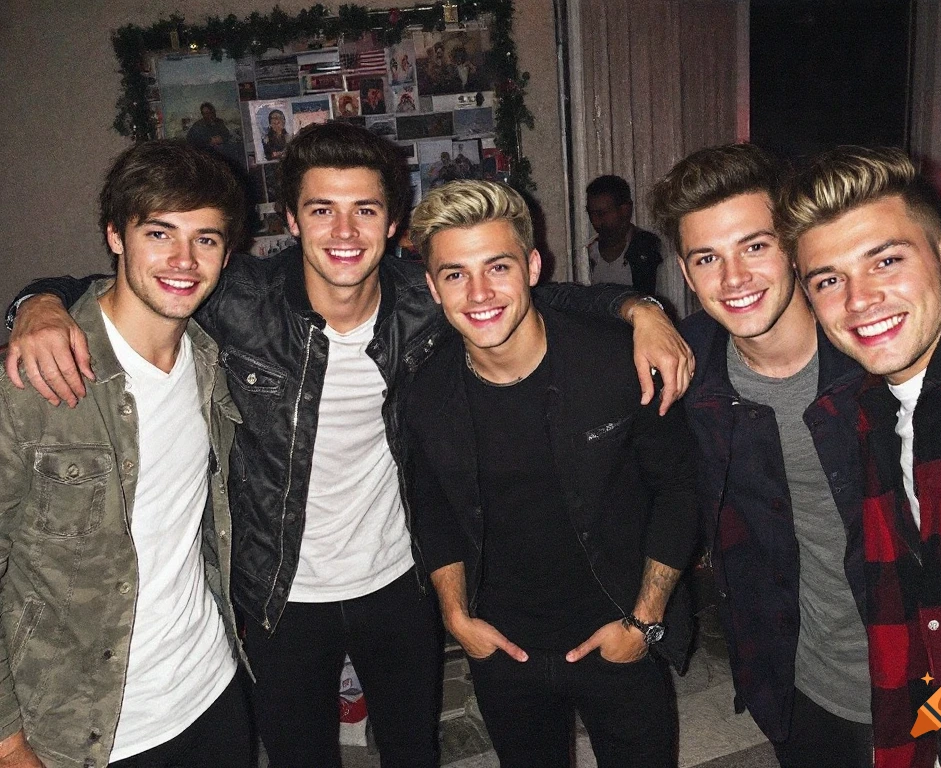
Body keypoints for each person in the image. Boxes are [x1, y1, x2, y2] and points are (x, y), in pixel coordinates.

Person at [4, 123, 693, 767]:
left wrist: (642, 309)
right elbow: (131, 281)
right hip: (278, 592)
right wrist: (37, 303)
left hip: (395, 581)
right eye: (322, 209)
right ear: (291, 220)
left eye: (364, 210)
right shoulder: (233, 298)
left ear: (393, 226)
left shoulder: (425, 299)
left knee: (411, 752)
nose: (343, 230)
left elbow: (523, 293)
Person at [406, 180, 698, 767]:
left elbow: (679, 488)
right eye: (456, 274)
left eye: (498, 266)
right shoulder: (426, 389)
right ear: (433, 287)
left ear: (533, 266)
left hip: (619, 629)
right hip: (504, 649)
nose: (480, 292)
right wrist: (457, 616)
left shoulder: (618, 358)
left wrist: (643, 621)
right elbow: (431, 505)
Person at [0, 140, 252, 767]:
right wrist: (6, 742)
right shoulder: (33, 382)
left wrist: (37, 298)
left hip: (211, 691)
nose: (184, 261)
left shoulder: (212, 360)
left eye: (207, 240)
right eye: (160, 233)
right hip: (85, 729)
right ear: (115, 236)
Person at [779, 146, 941, 768]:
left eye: (885, 260)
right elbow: (934, 621)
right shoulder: (875, 407)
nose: (859, 300)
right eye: (828, 280)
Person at [649, 143, 873, 767]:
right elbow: (541, 317)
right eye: (707, 258)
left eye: (755, 245)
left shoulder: (876, 345)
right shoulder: (689, 371)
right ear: (687, 275)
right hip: (797, 682)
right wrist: (635, 306)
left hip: (926, 666)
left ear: (796, 246)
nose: (734, 279)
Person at [586, 174, 663, 295]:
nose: (595, 221)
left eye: (602, 213)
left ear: (625, 210)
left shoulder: (648, 248)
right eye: (591, 214)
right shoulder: (589, 253)